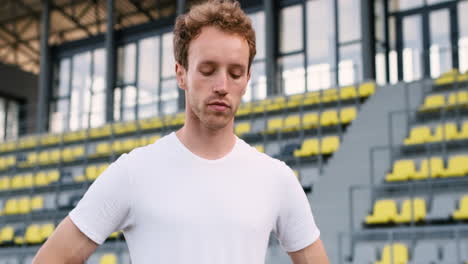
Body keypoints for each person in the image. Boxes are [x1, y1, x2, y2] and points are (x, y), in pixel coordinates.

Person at [33, 0, 329, 263]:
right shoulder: (135, 171)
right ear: (181, 74)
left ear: (247, 78)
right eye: (207, 70)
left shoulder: (275, 178)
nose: (222, 86)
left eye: (235, 73)